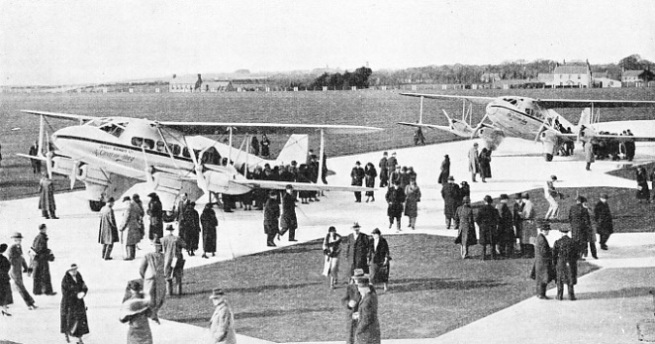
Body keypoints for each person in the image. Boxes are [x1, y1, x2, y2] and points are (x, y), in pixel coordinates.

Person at [139, 237, 166, 324]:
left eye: (157, 246)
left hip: (160, 278)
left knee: (160, 296)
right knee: (149, 296)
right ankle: (150, 314)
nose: (156, 247)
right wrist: (145, 276)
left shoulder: (163, 256)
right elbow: (141, 269)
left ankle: (154, 313)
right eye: (154, 246)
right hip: (150, 279)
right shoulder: (148, 256)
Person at [60, 264, 89, 343]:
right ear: (69, 271)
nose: (74, 271)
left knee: (79, 321)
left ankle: (79, 338)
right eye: (72, 270)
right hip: (69, 304)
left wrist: (83, 292)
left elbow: (84, 286)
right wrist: (76, 295)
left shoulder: (78, 276)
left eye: (75, 269)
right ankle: (70, 336)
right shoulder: (65, 280)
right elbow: (65, 293)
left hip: (79, 303)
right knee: (71, 321)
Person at [8, 232, 36, 310]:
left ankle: (31, 303)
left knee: (21, 287)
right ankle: (29, 304)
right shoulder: (11, 248)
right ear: (14, 239)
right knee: (20, 288)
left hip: (18, 270)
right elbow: (9, 260)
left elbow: (22, 258)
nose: (19, 241)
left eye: (20, 239)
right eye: (17, 239)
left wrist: (26, 268)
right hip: (14, 271)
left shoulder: (19, 246)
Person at [119, 280, 153, 344]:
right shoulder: (144, 301)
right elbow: (150, 314)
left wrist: (131, 315)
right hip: (145, 330)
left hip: (134, 330)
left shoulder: (128, 302)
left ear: (130, 290)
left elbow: (122, 319)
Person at [530, 221, 554, 300]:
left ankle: (540, 294)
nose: (548, 232)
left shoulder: (540, 237)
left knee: (541, 279)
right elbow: (544, 251)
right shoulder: (542, 239)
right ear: (543, 230)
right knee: (543, 279)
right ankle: (541, 295)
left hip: (540, 262)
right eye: (547, 230)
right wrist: (552, 251)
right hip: (543, 262)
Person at [552, 226, 578, 301]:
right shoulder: (573, 242)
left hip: (561, 262)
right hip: (570, 262)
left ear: (561, 232)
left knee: (560, 279)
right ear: (568, 232)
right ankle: (571, 296)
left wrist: (554, 263)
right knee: (570, 278)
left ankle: (559, 296)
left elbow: (554, 254)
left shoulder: (558, 242)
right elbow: (577, 254)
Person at [353, 277, 381, 344]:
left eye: (359, 288)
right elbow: (368, 314)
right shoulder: (372, 294)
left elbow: (366, 320)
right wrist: (359, 314)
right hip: (373, 330)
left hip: (366, 335)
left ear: (364, 288)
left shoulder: (367, 301)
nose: (359, 290)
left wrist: (357, 331)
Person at [31, 223, 56, 295]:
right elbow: (41, 250)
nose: (45, 230)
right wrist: (49, 256)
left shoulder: (38, 237)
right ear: (43, 229)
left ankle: (37, 291)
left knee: (37, 275)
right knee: (45, 275)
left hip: (37, 259)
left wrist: (48, 251)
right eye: (45, 228)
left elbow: (35, 248)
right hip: (42, 259)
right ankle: (47, 291)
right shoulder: (42, 238)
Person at [342, 269, 365, 344]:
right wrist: (349, 305)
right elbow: (344, 300)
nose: (358, 281)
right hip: (352, 314)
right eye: (357, 279)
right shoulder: (350, 288)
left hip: (363, 314)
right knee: (350, 335)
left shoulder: (368, 288)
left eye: (360, 279)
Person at [161, 225, 186, 296]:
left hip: (168, 259)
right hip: (177, 258)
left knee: (168, 276)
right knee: (178, 275)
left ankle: (169, 292)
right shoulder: (177, 238)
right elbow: (185, 245)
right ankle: (179, 292)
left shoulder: (163, 239)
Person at [569, 196, 592, 260]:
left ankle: (577, 255)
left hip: (574, 228)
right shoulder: (584, 209)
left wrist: (573, 225)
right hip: (582, 228)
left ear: (577, 201)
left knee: (575, 241)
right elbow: (587, 220)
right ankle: (581, 255)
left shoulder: (572, 208)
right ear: (582, 202)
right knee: (582, 241)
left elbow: (570, 218)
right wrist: (588, 227)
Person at [120, 196, 144, 261]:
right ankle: (132, 255)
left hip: (129, 227)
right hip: (135, 225)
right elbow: (140, 214)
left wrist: (122, 226)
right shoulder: (136, 205)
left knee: (128, 242)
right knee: (133, 241)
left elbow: (126, 218)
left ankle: (129, 256)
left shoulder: (128, 207)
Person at [476, 195, 499, 260]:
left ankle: (483, 257)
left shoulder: (481, 209)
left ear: (484, 201)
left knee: (484, 244)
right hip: (491, 228)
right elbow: (497, 219)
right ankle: (493, 257)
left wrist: (480, 225)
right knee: (492, 243)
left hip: (483, 228)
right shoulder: (494, 209)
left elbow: (477, 219)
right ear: (491, 201)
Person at [497, 194, 515, 258]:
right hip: (506, 226)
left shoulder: (498, 206)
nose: (507, 200)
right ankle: (506, 253)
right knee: (507, 240)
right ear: (504, 199)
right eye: (507, 199)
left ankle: (502, 252)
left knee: (501, 240)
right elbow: (504, 216)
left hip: (500, 226)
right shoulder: (504, 206)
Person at [521, 193, 537, 258]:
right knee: (529, 239)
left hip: (529, 224)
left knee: (529, 239)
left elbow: (528, 214)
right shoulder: (529, 204)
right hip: (529, 224)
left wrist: (522, 215)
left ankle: (529, 254)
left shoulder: (528, 205)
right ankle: (529, 254)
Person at [0, 243, 12, 316]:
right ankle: (4, 310)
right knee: (4, 294)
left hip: (3, 278)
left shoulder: (4, 258)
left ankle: (4, 309)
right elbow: (8, 266)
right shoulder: (4, 258)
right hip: (3, 278)